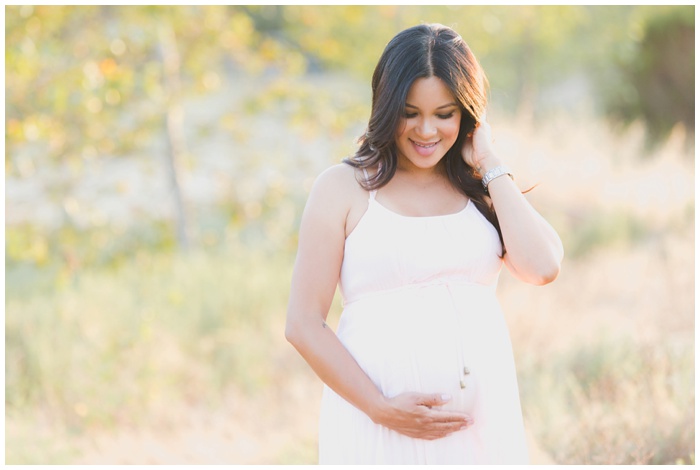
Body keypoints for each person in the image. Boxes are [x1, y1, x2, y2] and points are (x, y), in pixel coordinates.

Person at [285, 23, 564, 464]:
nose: (426, 130)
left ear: (469, 115)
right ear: (385, 106)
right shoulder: (343, 188)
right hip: (376, 426)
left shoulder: (481, 187)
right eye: (410, 112)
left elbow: (543, 266)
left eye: (445, 113)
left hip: (480, 432)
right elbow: (303, 324)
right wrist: (380, 409)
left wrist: (490, 162)